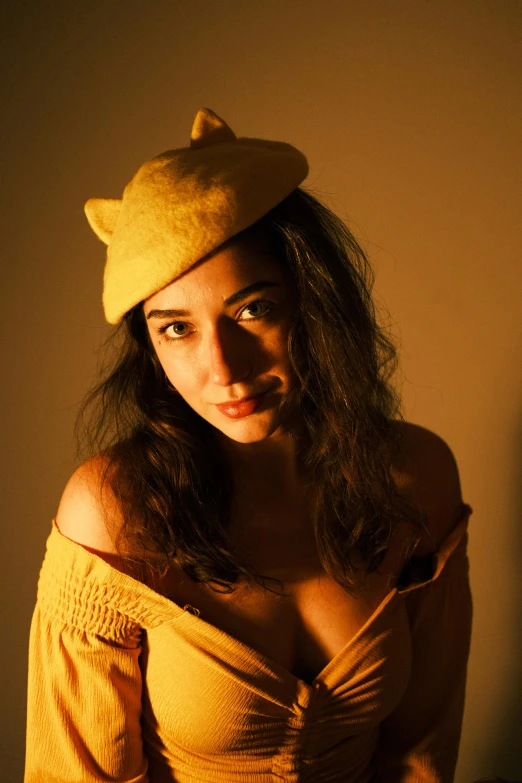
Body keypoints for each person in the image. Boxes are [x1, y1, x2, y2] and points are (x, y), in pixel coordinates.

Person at [24, 108, 473, 783]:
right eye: (176, 328)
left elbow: (421, 756)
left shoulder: (416, 477)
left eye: (251, 310)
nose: (222, 368)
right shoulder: (112, 513)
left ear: (312, 302)